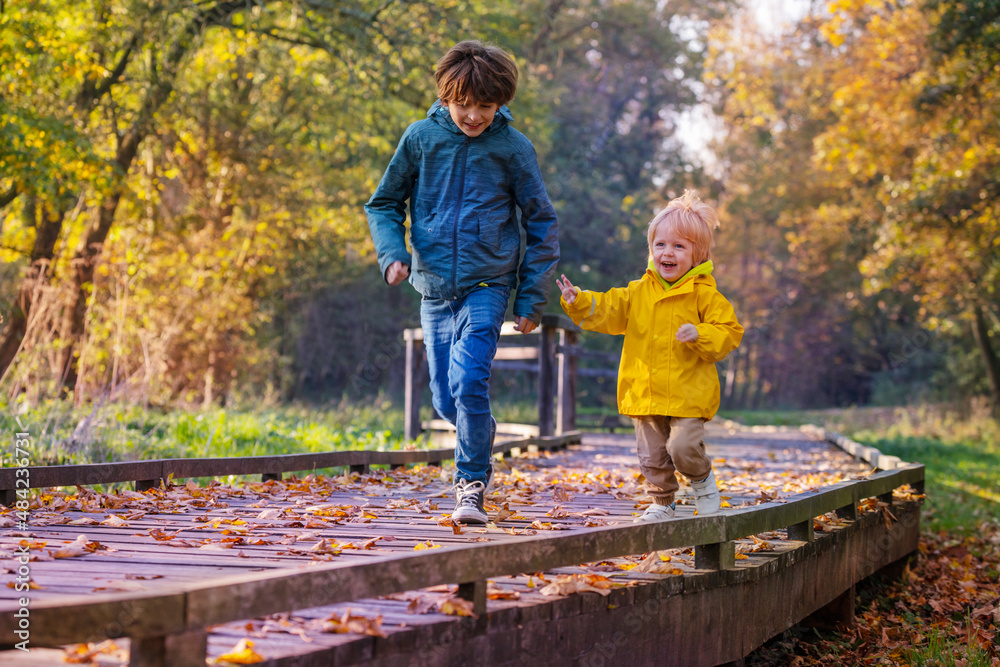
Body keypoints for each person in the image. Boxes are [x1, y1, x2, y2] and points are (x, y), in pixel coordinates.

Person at [365, 40, 559, 524]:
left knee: (471, 379)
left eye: (485, 107)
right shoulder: (420, 139)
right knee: (445, 397)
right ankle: (479, 429)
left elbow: (542, 224)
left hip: (487, 286)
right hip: (433, 289)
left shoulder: (513, 149)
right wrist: (392, 254)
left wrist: (530, 298)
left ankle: (470, 485)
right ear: (445, 96)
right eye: (463, 104)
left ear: (501, 103)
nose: (473, 116)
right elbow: (383, 204)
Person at [556, 191, 742, 521]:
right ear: (652, 250)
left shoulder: (705, 296)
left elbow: (728, 332)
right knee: (653, 455)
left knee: (682, 448)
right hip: (645, 389)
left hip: (688, 392)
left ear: (697, 255)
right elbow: (608, 309)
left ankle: (702, 482)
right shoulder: (638, 292)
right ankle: (662, 502)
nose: (667, 253)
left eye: (679, 246)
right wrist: (578, 300)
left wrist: (700, 333)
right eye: (661, 245)